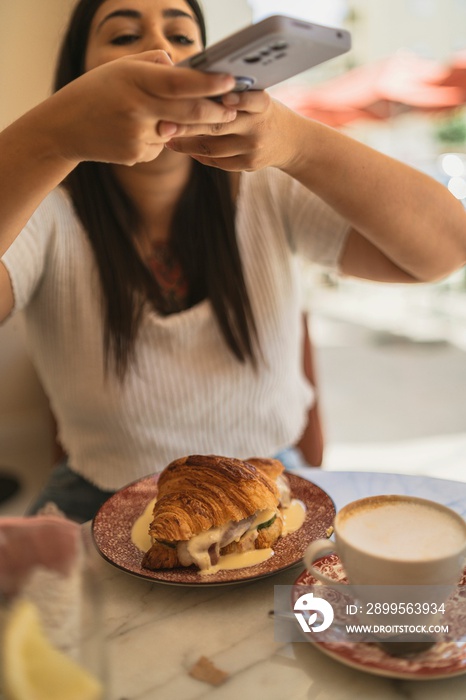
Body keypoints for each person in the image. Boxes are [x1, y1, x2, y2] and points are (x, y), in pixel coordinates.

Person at [0, 0, 465, 523]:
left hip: (265, 488)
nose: (160, 54)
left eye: (182, 38)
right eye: (125, 37)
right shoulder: (46, 210)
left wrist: (301, 142)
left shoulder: (268, 188)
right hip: (101, 501)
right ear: (80, 77)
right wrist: (49, 135)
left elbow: (444, 250)